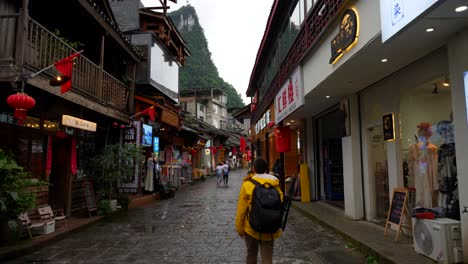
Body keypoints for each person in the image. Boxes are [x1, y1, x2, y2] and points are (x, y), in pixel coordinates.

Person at [235, 158, 283, 264]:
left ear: (253, 169)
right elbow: (280, 204)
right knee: (267, 258)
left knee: (251, 254)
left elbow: (241, 209)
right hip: (270, 227)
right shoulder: (275, 184)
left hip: (251, 227)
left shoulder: (247, 184)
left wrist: (239, 228)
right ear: (266, 169)